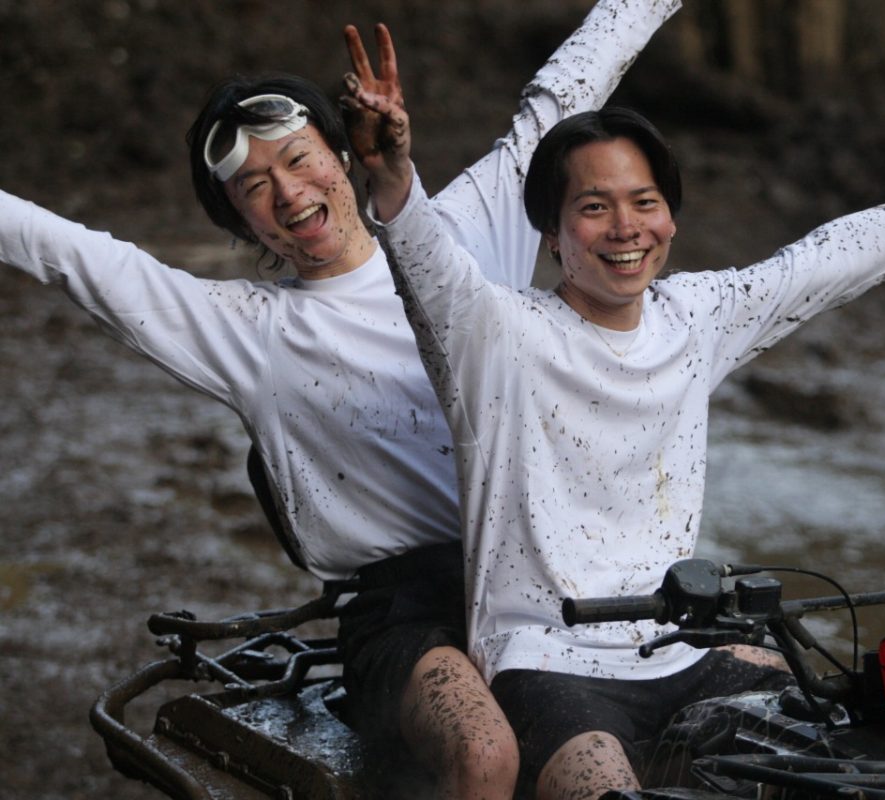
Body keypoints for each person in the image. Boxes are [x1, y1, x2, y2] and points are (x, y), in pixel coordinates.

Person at [0, 2, 681, 798]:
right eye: (254, 187)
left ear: (343, 151)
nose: (289, 193)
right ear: (239, 218)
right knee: (483, 753)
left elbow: (567, 88)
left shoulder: (464, 229)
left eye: (299, 159)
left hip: (549, 572)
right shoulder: (250, 330)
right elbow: (74, 256)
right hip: (403, 610)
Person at [345, 63, 885, 799]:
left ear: (670, 217)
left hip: (686, 645)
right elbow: (428, 265)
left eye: (645, 202)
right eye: (594, 207)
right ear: (552, 233)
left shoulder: (696, 316)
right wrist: (391, 173)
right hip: (547, 661)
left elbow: (828, 259)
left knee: (833, 762)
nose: (626, 228)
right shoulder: (495, 333)